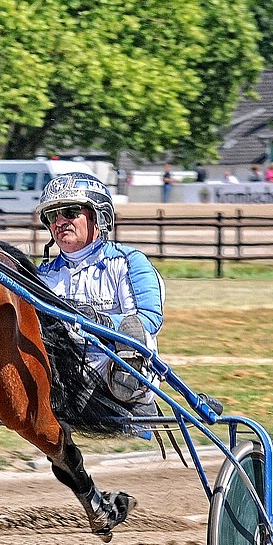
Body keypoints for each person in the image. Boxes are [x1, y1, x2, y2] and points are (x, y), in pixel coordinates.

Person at [36, 173, 164, 412]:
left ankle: (126, 386)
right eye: (53, 215)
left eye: (72, 212)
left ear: (99, 217)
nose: (61, 221)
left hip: (114, 367)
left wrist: (98, 320)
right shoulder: (43, 276)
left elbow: (149, 319)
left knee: (134, 331)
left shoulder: (128, 262)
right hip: (61, 373)